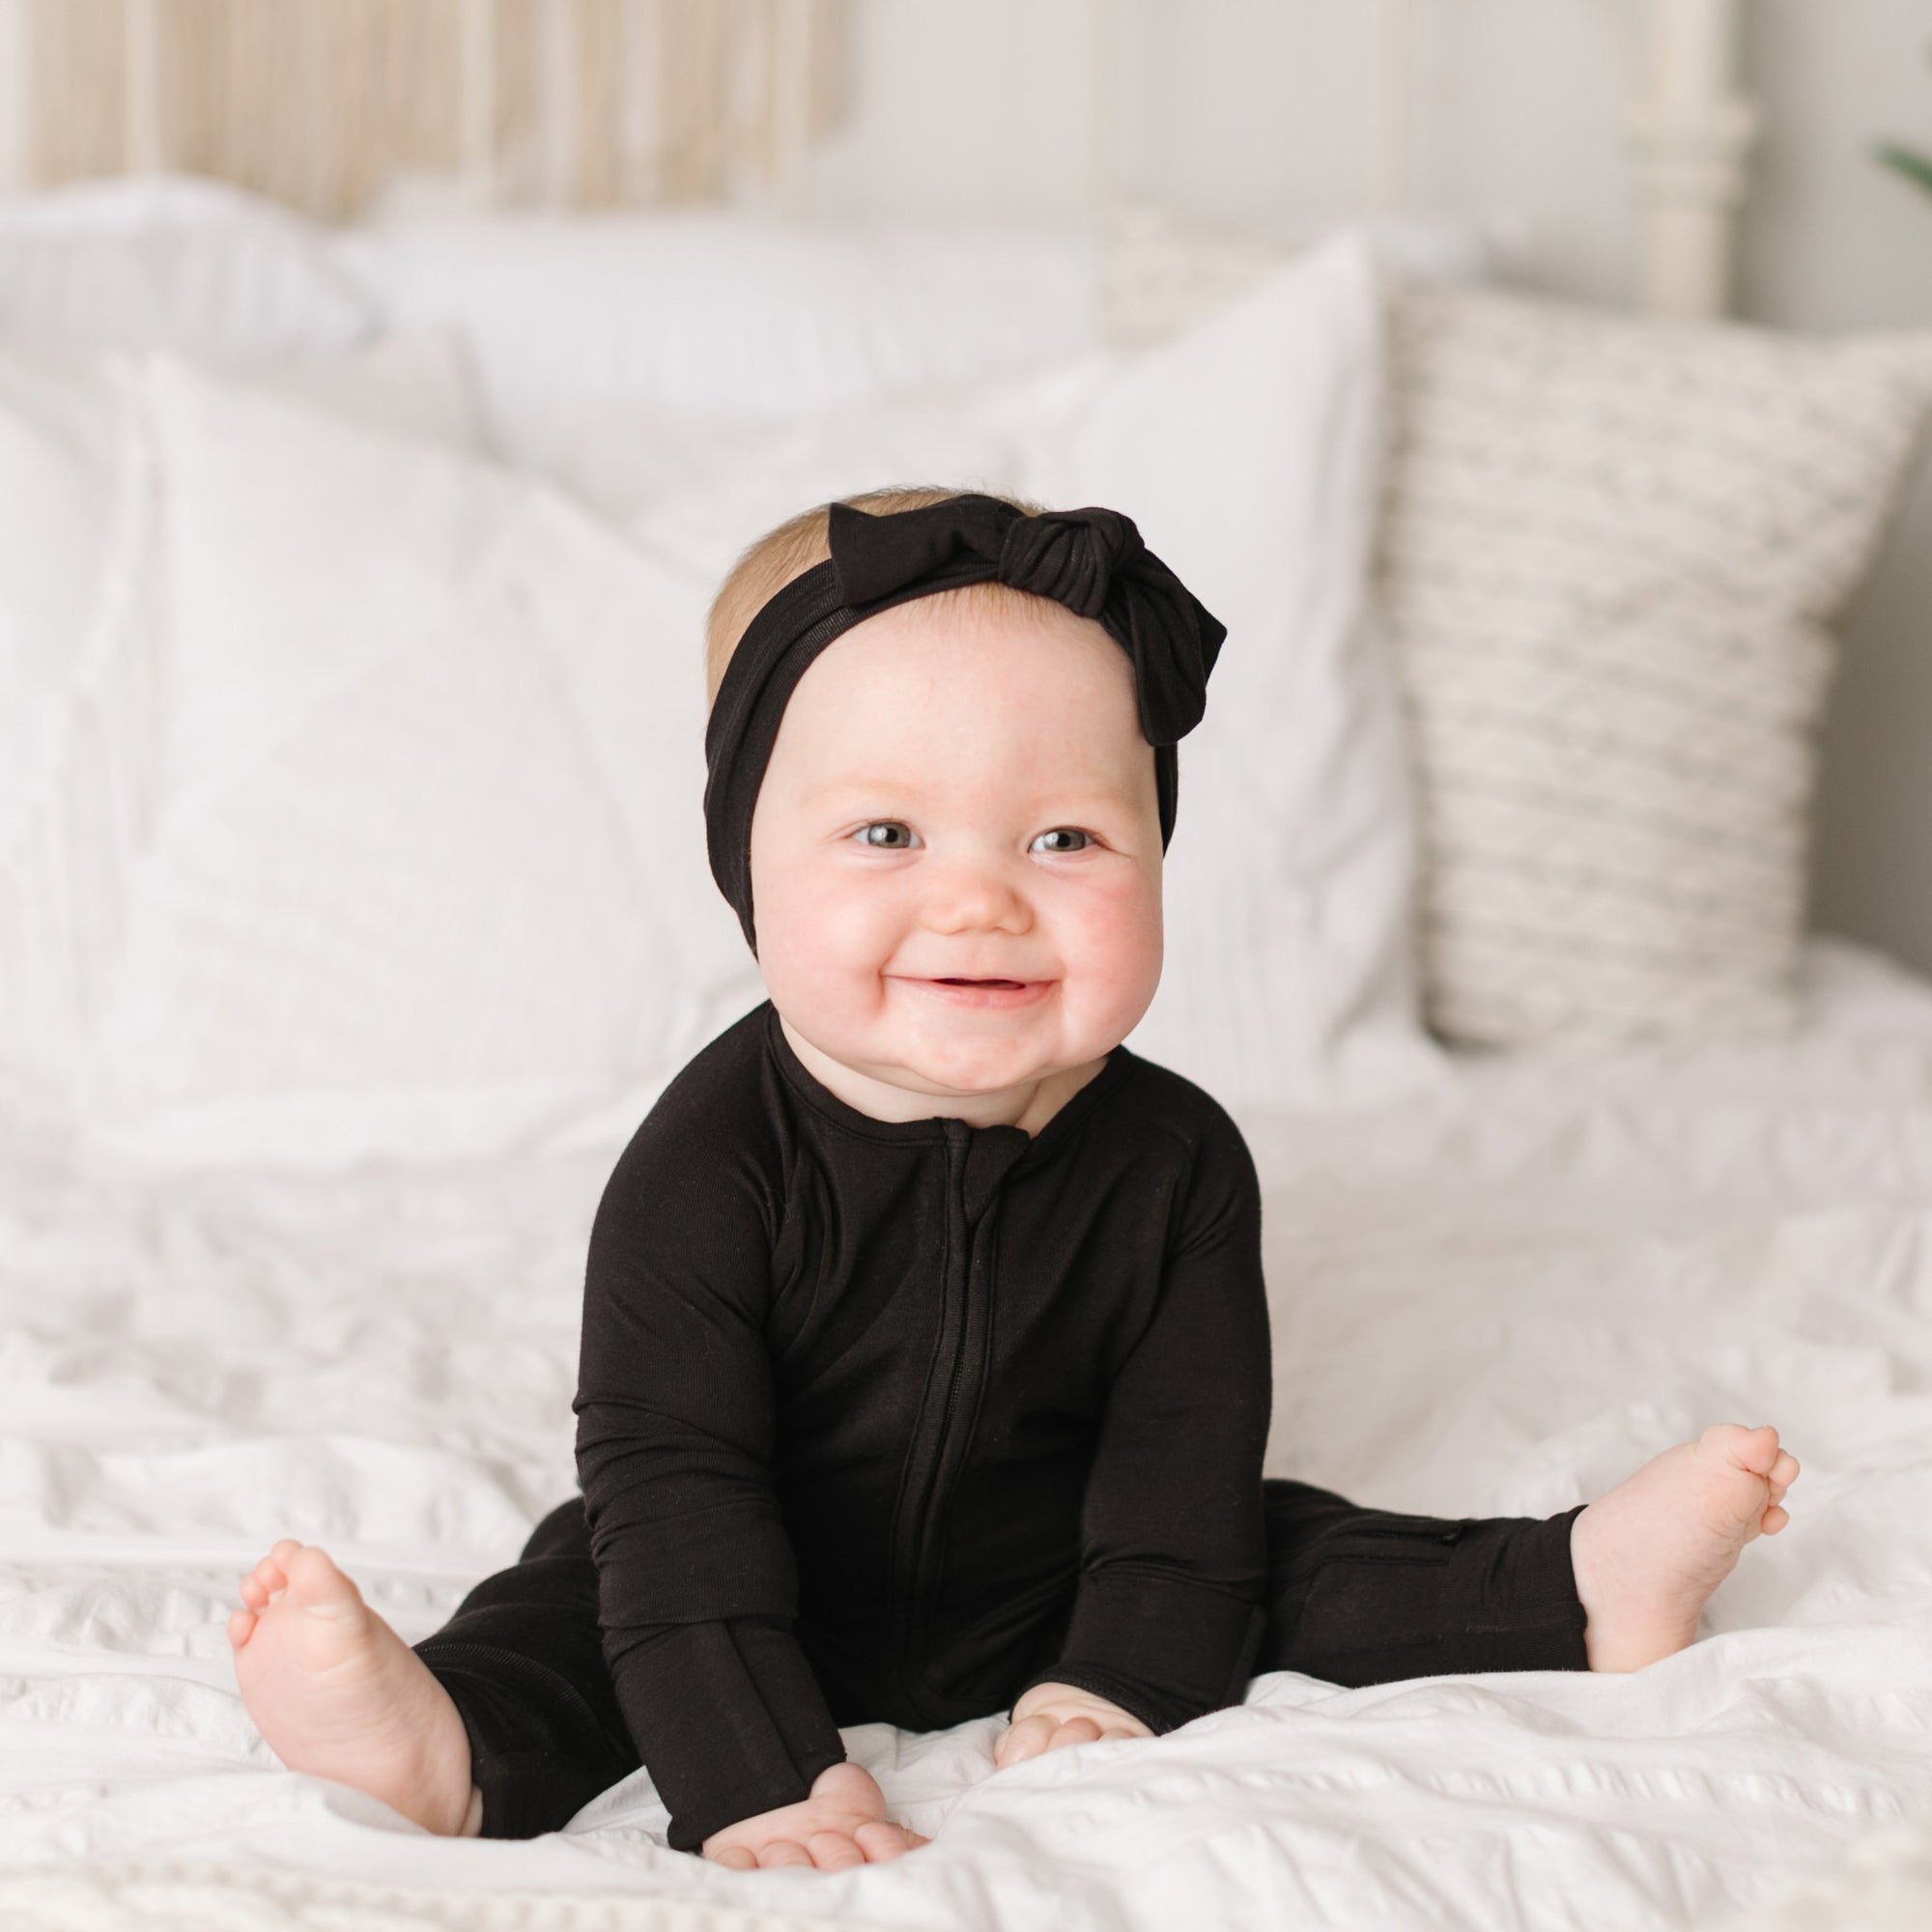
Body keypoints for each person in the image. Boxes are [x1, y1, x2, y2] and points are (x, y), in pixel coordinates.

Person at [227, 486, 1801, 1873]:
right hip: (763, 1559)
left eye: (1063, 840)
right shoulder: (704, 1168)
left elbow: (1179, 1467)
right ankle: (448, 1748)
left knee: (1274, 1548)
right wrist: (756, 1773)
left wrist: (1123, 1672)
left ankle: (1577, 1584)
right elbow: (679, 1482)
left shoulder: (1178, 1164)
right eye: (886, 832)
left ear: (1159, 850)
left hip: (1065, 1564)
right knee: (594, 1586)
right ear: (745, 864)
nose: (980, 902)